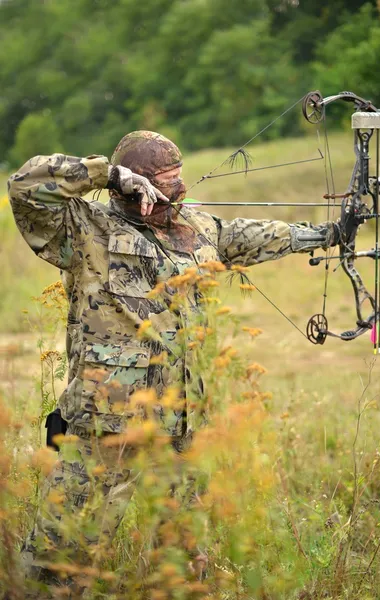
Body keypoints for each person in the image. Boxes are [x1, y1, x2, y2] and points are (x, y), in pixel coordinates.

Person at [8, 130, 340, 593]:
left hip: (181, 429)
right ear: (129, 188)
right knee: (59, 563)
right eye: (160, 186)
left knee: (185, 563)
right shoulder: (85, 231)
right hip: (107, 427)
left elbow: (250, 235)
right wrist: (109, 173)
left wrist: (325, 234)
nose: (173, 195)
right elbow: (24, 184)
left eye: (177, 184)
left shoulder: (195, 229)